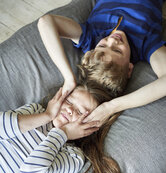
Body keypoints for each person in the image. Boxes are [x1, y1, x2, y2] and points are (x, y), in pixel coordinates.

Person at [0, 82, 121, 173]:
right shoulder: (34, 111)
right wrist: (47, 115)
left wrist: (63, 133)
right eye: (69, 101)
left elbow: (30, 170)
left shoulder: (73, 156)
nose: (70, 110)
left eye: (80, 112)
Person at [37, 0, 166, 125]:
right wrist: (111, 107)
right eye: (117, 51)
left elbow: (46, 22)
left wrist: (68, 77)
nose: (112, 40)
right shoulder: (147, 44)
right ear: (129, 69)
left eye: (102, 46)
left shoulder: (91, 37)